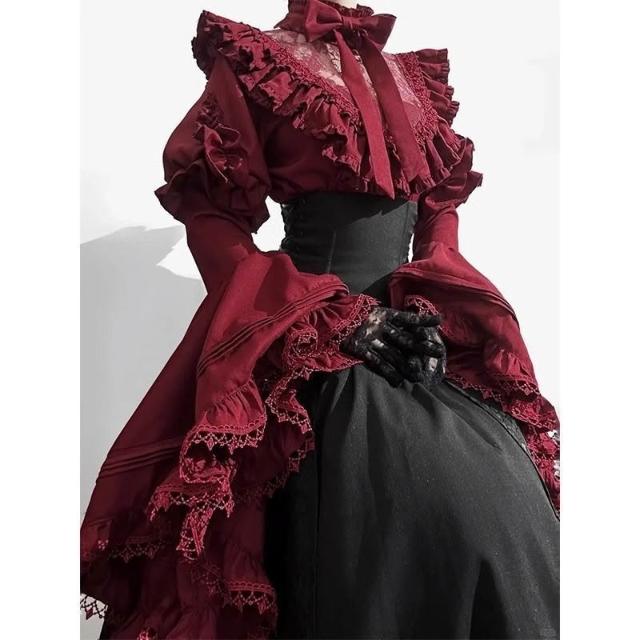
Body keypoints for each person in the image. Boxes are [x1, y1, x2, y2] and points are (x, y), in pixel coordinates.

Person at [80, 1, 560, 638]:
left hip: (407, 337)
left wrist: (432, 304)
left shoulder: (414, 80)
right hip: (313, 340)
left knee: (503, 505)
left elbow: (438, 214)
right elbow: (213, 218)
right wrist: (328, 318)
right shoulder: (256, 63)